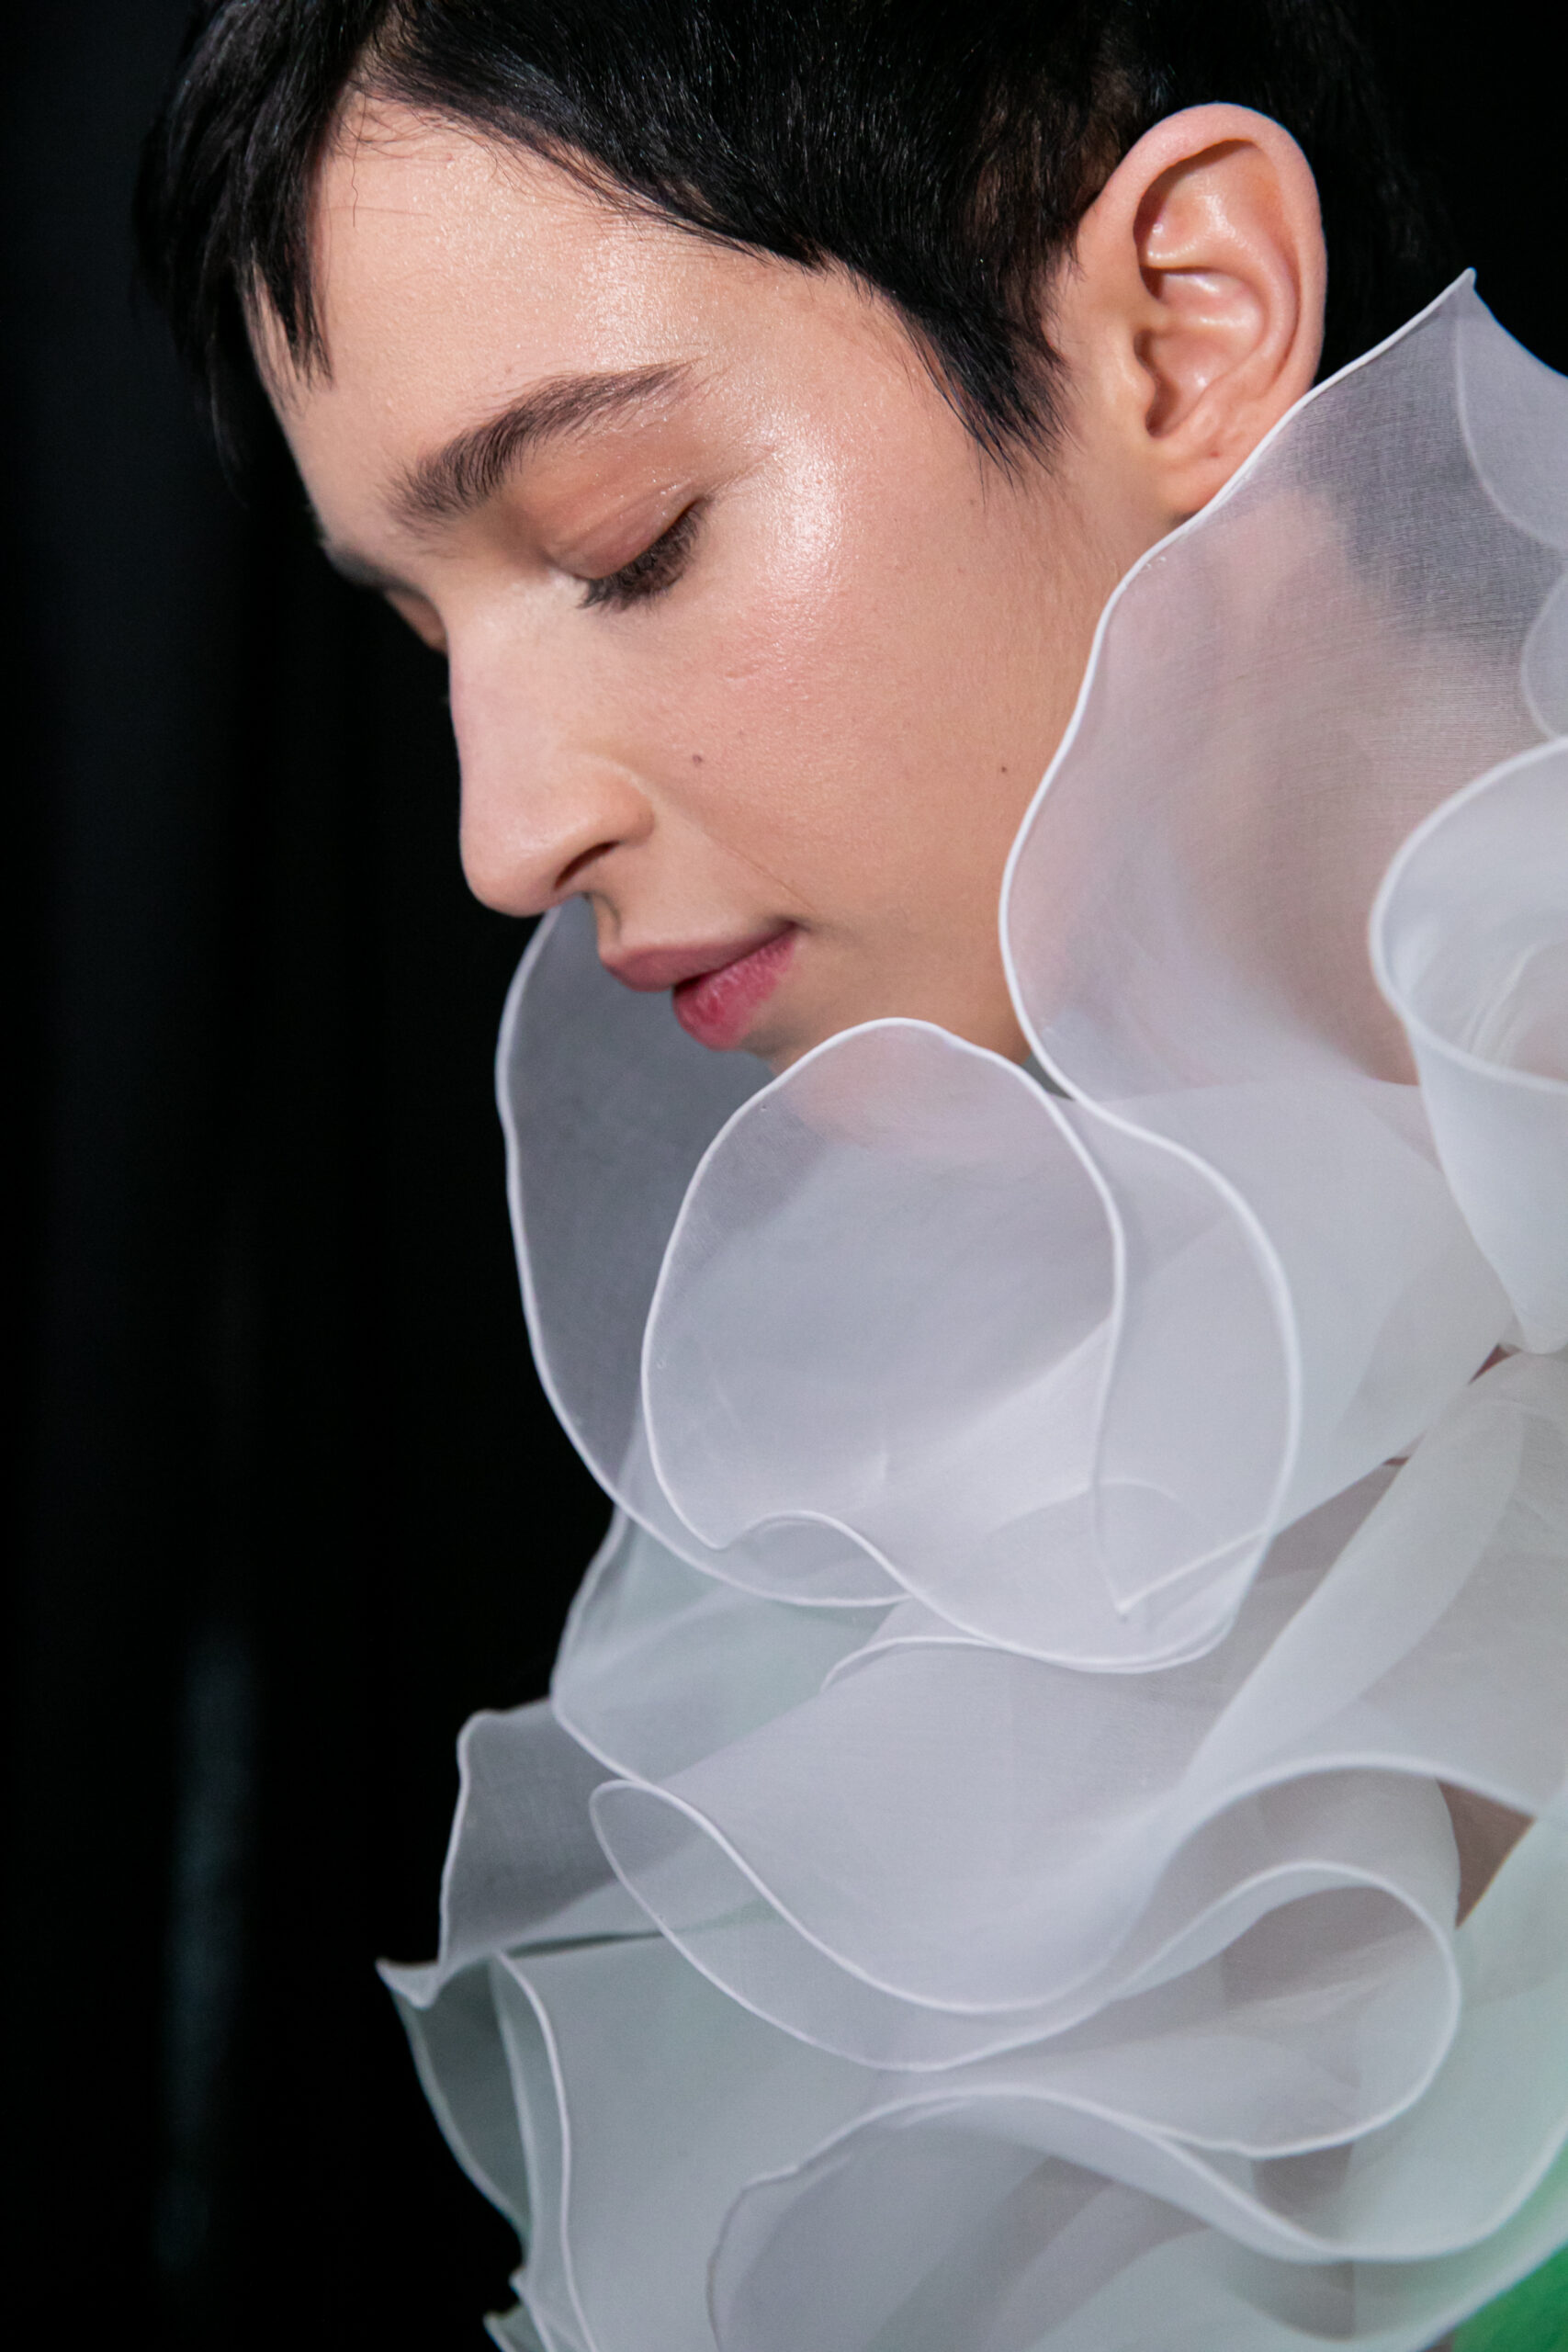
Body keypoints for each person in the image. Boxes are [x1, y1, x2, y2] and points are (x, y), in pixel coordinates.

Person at [138, 4, 1568, 2346]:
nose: (506, 834)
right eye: (423, 636)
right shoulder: (910, 1551)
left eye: (622, 542)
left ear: (1183, 325)